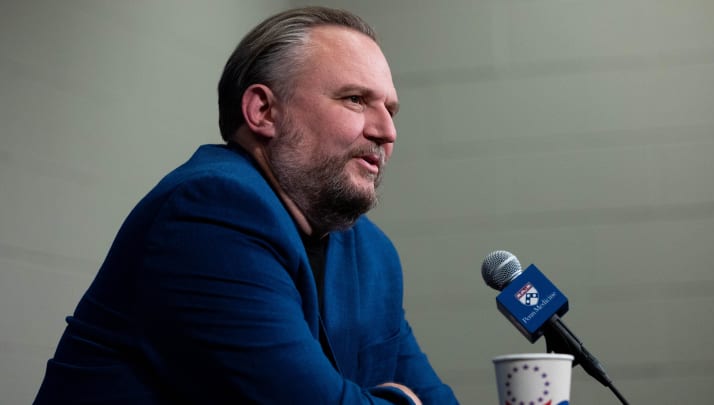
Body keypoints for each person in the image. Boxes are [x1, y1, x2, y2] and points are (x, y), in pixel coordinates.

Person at [34, 6, 459, 404]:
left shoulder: (373, 254)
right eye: (354, 99)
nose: (387, 131)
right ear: (263, 111)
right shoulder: (209, 214)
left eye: (391, 109)